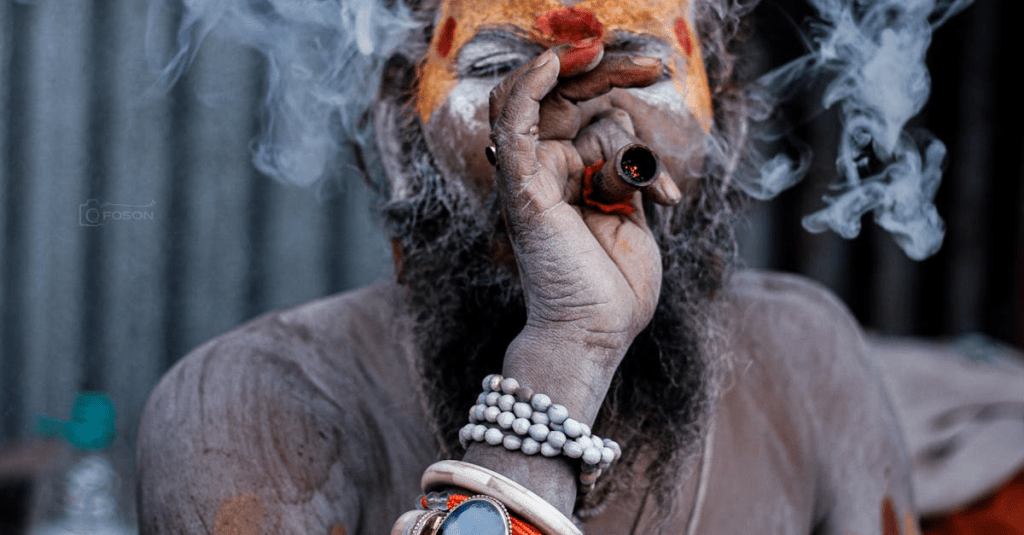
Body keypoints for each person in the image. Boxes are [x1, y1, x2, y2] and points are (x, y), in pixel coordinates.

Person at [136, 0, 1014, 534]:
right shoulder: (247, 406)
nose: (572, 125)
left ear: (729, 123)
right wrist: (567, 348)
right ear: (403, 130)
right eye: (498, 67)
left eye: (645, 70)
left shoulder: (808, 359)